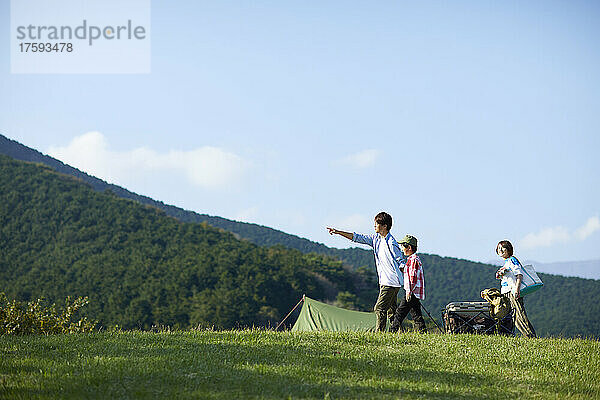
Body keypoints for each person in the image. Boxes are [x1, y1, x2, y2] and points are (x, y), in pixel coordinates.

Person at [327, 211, 404, 332]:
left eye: (376, 224)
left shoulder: (391, 243)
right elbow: (357, 237)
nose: (374, 226)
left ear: (384, 226)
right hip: (386, 281)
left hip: (391, 282)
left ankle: (380, 334)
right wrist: (338, 232)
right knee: (391, 310)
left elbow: (400, 261)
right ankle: (399, 333)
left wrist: (408, 278)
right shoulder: (376, 239)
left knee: (379, 308)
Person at [495, 240, 537, 338]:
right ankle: (508, 335)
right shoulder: (506, 263)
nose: (500, 250)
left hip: (512, 291)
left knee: (519, 315)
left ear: (508, 249)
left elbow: (519, 275)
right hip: (506, 291)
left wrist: (517, 289)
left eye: (502, 248)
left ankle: (531, 336)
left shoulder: (512, 260)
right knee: (511, 316)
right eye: (498, 248)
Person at [390, 235, 426, 333]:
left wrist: (409, 292)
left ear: (409, 248)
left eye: (403, 247)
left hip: (411, 292)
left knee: (400, 312)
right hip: (414, 292)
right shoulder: (413, 259)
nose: (402, 249)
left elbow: (413, 278)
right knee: (416, 314)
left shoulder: (413, 260)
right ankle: (422, 332)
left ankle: (392, 331)